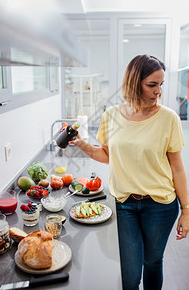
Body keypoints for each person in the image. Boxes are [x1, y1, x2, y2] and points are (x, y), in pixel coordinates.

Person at [69, 54, 189, 290]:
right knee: (130, 276)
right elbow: (107, 155)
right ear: (135, 83)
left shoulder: (169, 118)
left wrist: (186, 210)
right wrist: (84, 145)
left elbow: (177, 167)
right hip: (124, 204)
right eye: (151, 85)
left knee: (153, 263)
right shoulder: (111, 115)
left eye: (161, 84)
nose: (158, 92)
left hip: (161, 206)